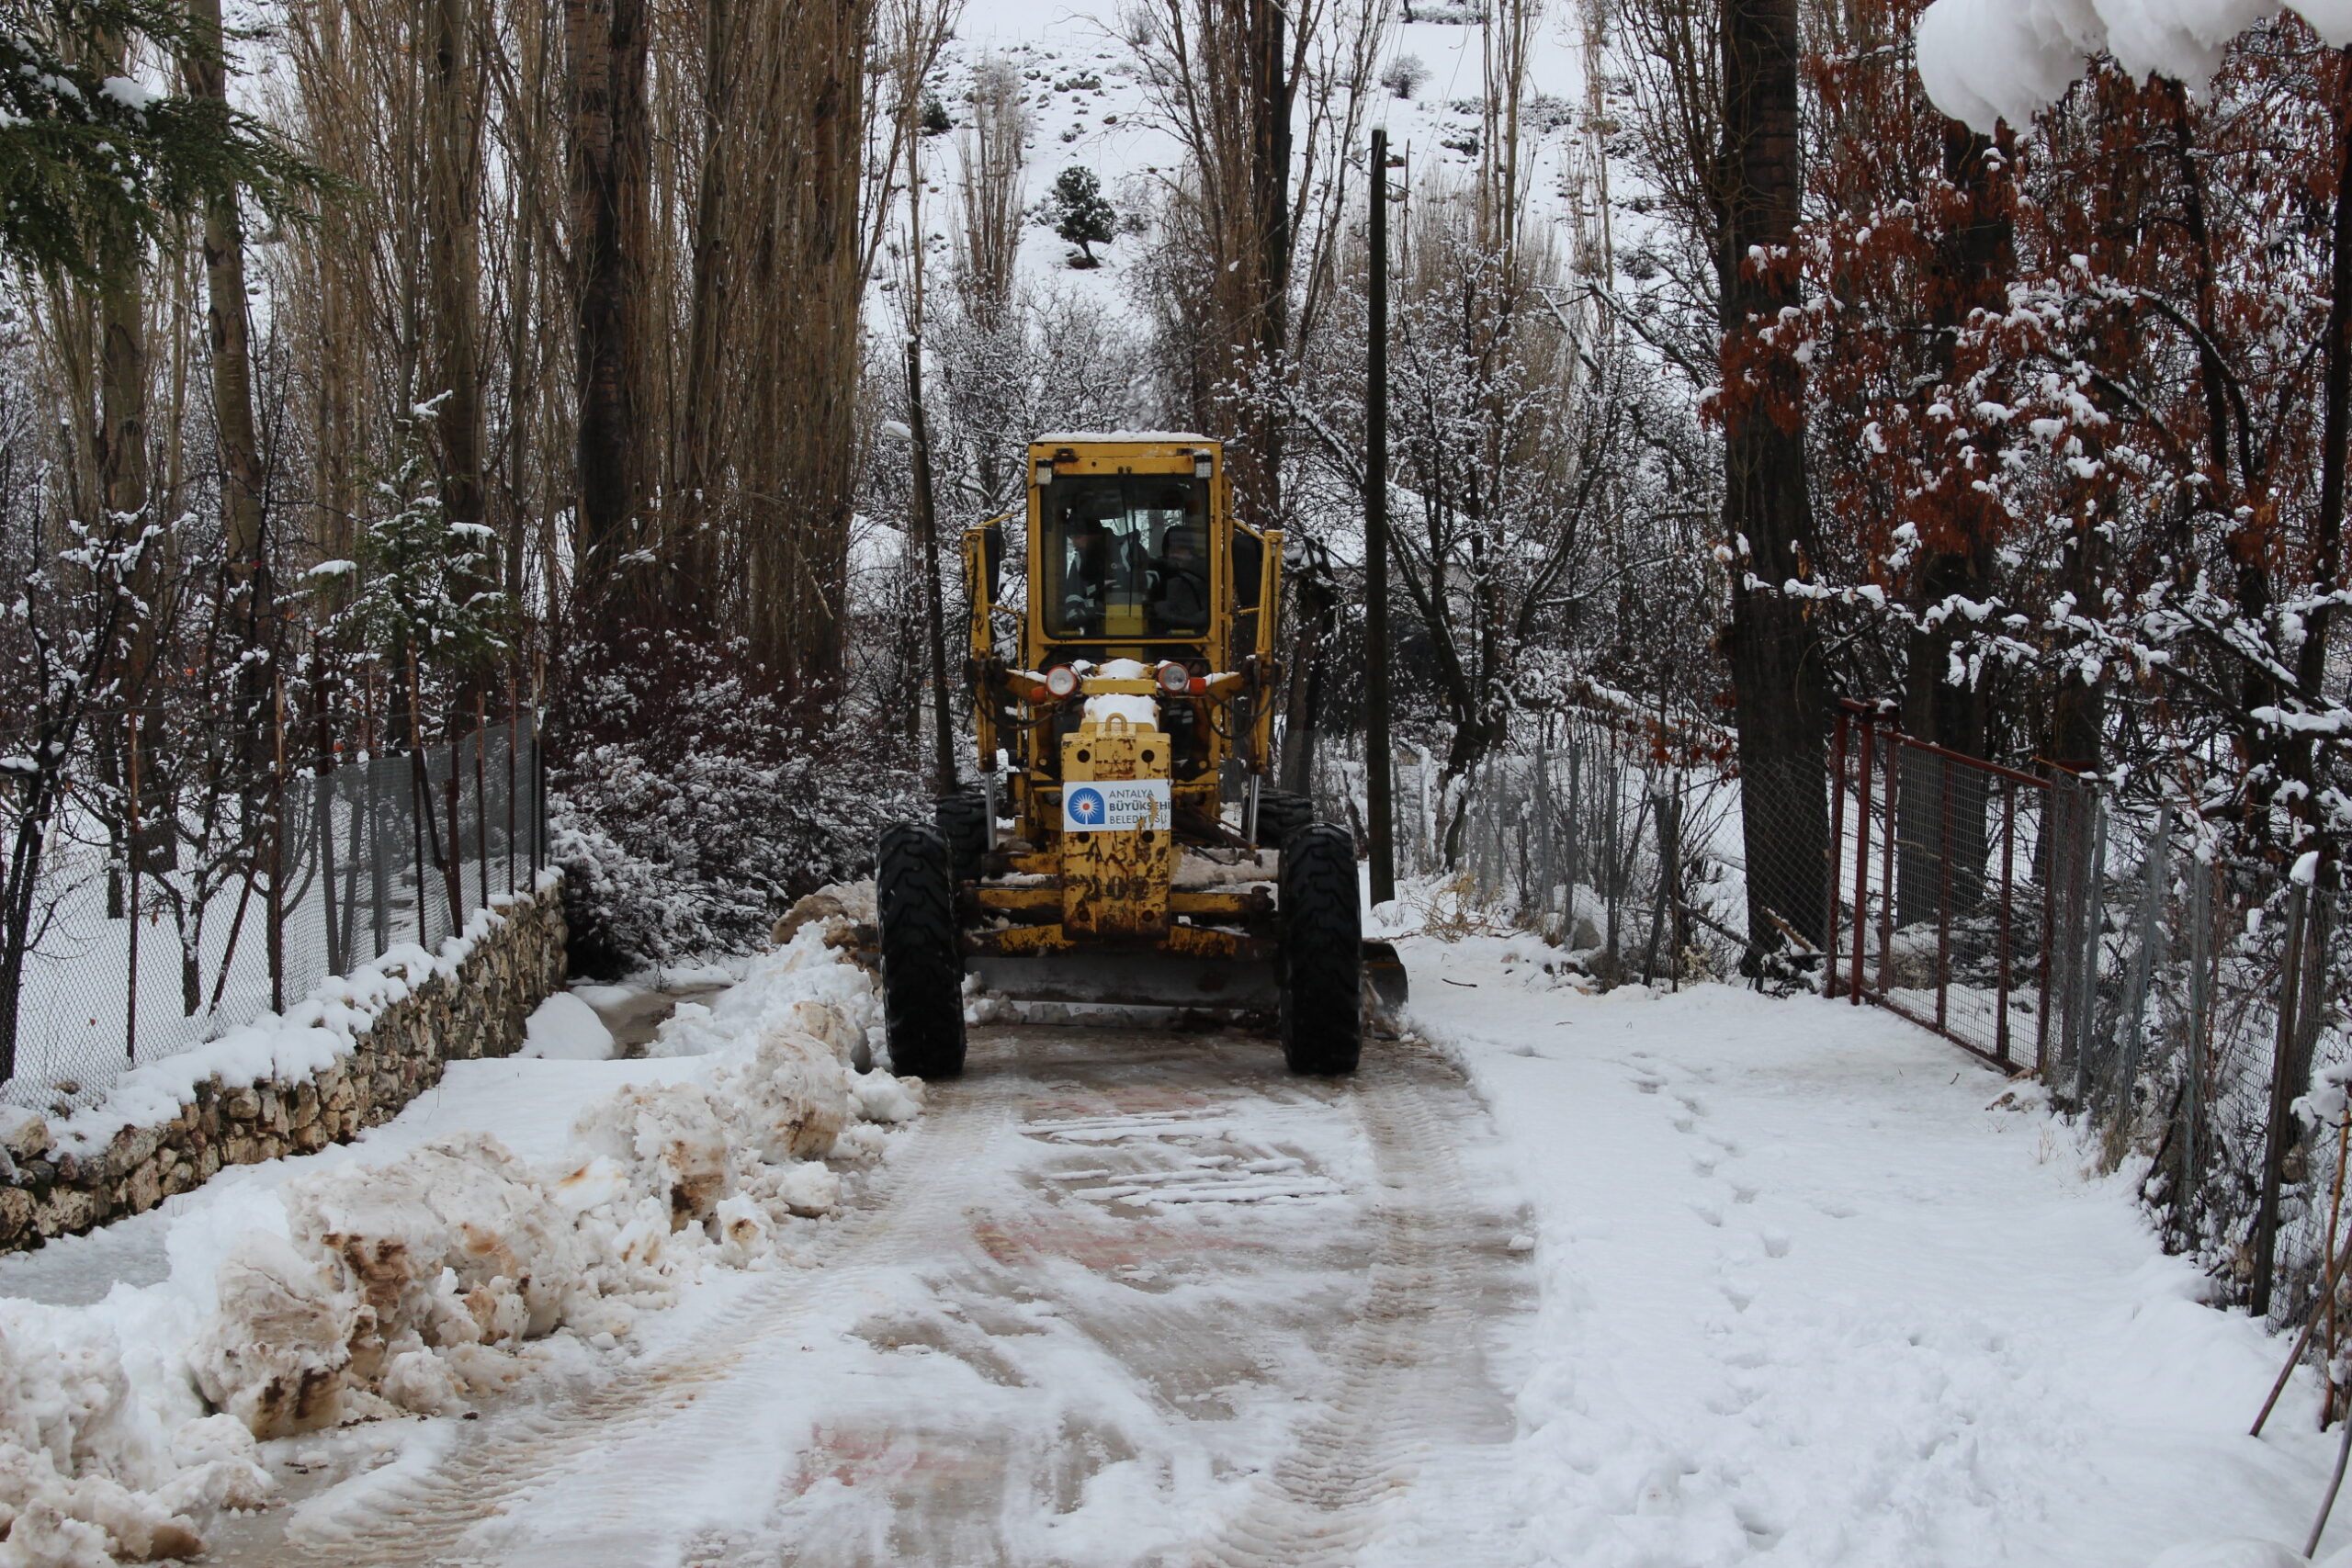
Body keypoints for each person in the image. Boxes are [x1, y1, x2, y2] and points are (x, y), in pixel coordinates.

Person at [1149, 526, 1210, 632]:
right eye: (1170, 549)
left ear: (1191, 552)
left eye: (1180, 549)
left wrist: (1161, 609)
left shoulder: (1203, 576)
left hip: (1192, 639)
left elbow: (1201, 618)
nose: (1174, 554)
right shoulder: (1158, 572)